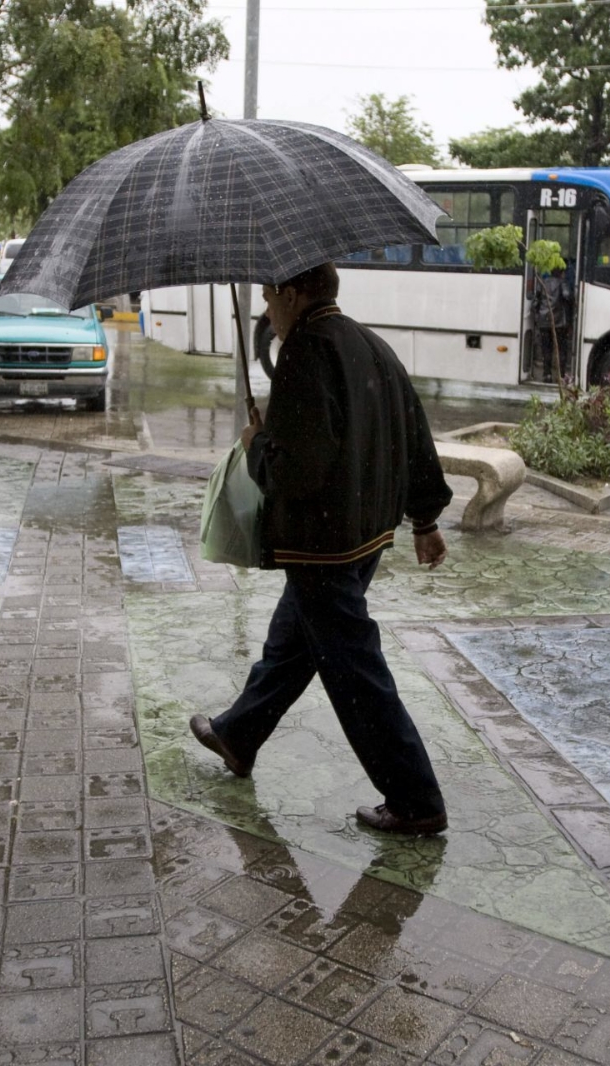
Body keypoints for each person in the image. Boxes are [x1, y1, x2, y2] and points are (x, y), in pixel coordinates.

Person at [189, 262, 454, 836]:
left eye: (267, 296)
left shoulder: (306, 351)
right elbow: (416, 434)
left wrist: (258, 444)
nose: (264, 311)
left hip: (322, 543)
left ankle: (415, 798)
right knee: (294, 641)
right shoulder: (369, 341)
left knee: (353, 668)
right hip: (366, 536)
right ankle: (238, 735)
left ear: (291, 292)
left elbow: (297, 474)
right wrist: (424, 518)